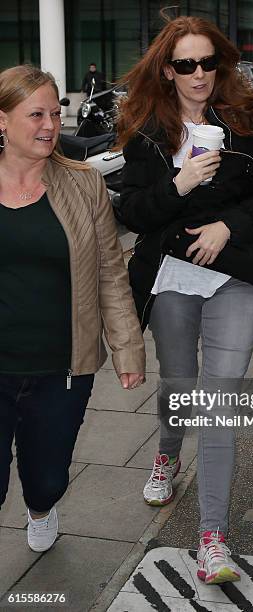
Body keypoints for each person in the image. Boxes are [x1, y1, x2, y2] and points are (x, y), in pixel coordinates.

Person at [116, 14, 253, 584]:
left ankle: (212, 538)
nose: (199, 74)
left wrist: (228, 226)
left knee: (219, 403)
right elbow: (134, 213)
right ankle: (167, 452)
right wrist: (181, 183)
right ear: (168, 71)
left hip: (237, 276)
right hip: (172, 276)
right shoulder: (146, 130)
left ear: (221, 64)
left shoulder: (250, 120)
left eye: (208, 62)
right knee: (179, 386)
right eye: (186, 65)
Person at [0, 65, 145, 553]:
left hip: (62, 364)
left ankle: (41, 508)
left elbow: (110, 271)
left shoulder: (83, 185)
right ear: (2, 120)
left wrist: (127, 348)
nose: (49, 124)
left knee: (45, 477)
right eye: (35, 113)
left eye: (55, 112)